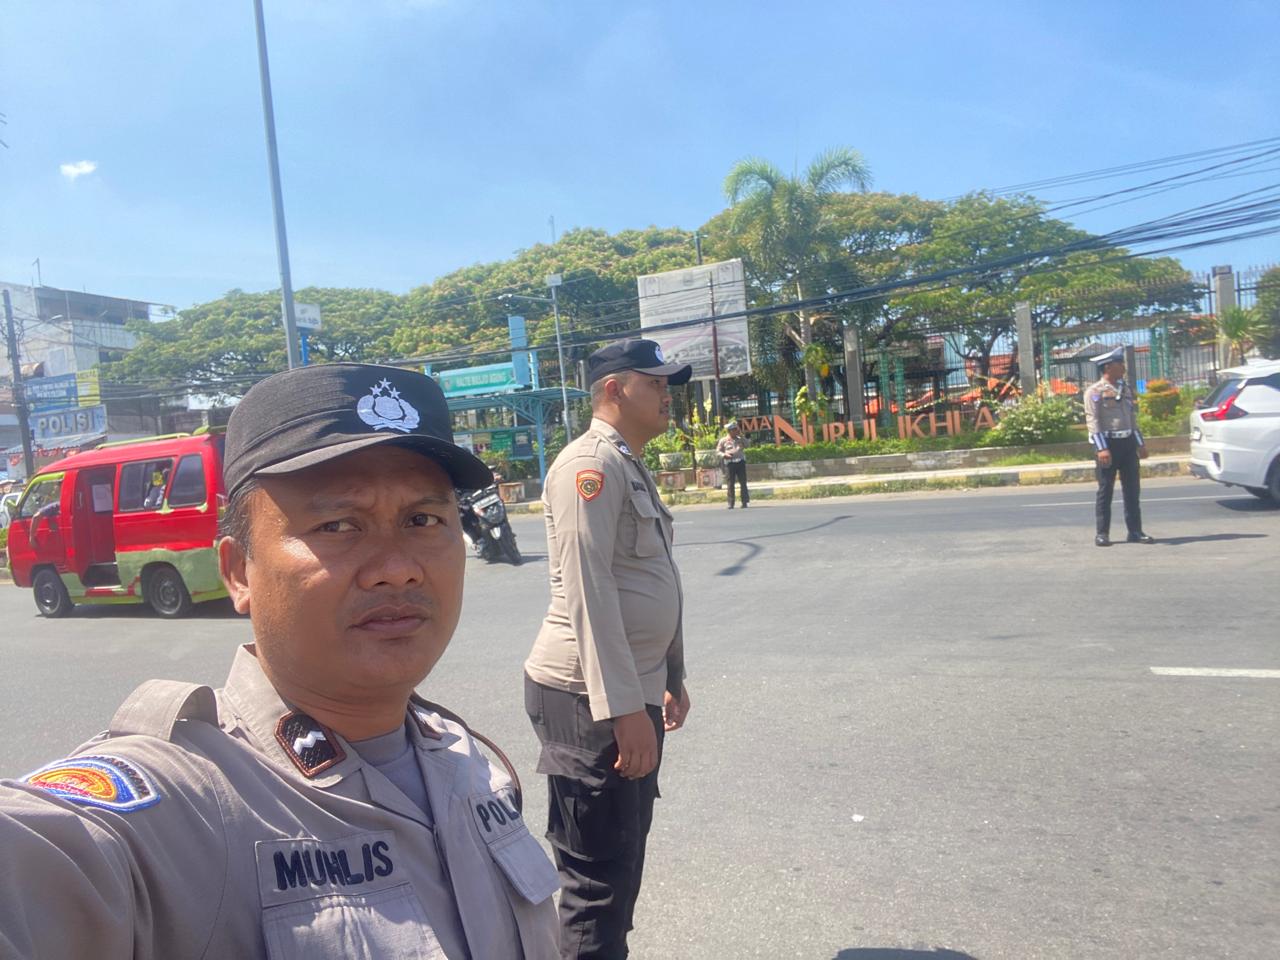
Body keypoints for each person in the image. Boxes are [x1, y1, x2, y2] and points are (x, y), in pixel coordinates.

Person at [0, 363, 559, 959]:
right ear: (239, 572)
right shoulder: (182, 805)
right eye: (338, 525)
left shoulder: (466, 760)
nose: (398, 568)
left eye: (423, 520)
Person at [524, 338, 694, 959]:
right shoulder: (586, 466)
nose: (668, 394)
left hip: (627, 686)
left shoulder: (626, 462)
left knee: (622, 864)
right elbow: (589, 592)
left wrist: (670, 676)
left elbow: (650, 579)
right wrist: (623, 709)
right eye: (656, 383)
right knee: (596, 879)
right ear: (615, 389)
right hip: (586, 696)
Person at [1084, 346, 1155, 547]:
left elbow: (1132, 419)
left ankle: (1135, 531)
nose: (1123, 367)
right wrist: (1101, 448)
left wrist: (1140, 443)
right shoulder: (1094, 392)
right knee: (1105, 489)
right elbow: (1093, 421)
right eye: (1119, 364)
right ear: (1108, 367)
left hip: (1128, 443)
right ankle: (1102, 533)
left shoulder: (1126, 389)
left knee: (1132, 489)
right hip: (1108, 444)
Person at [715, 419, 750, 509]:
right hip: (730, 464)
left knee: (743, 483)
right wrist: (724, 455)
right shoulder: (723, 440)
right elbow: (718, 451)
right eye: (734, 430)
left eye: (736, 429)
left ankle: (744, 502)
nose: (736, 431)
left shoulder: (740, 439)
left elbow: (747, 445)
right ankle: (731, 503)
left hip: (740, 462)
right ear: (729, 431)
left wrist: (741, 436)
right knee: (730, 484)